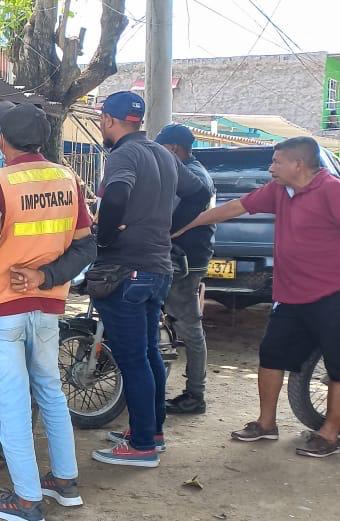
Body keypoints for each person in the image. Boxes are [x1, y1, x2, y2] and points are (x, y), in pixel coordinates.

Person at [175, 136, 340, 458]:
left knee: (337, 366)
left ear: (299, 164)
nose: (270, 167)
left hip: (331, 294)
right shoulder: (279, 190)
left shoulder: (331, 190)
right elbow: (235, 207)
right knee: (271, 356)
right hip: (290, 294)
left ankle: (330, 433)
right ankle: (266, 424)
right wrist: (185, 225)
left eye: (277, 162)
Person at [0, 102, 95, 521]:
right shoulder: (68, 180)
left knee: (13, 405)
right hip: (47, 307)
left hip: (1, 308)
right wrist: (45, 277)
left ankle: (26, 500)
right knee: (50, 392)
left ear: (3, 140)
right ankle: (64, 481)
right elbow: (86, 245)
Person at [89, 91, 212, 468]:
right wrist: (167, 227)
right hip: (157, 267)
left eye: (101, 119)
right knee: (148, 353)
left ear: (110, 120)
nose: (100, 125)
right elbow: (201, 192)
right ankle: (151, 432)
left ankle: (142, 445)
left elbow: (115, 198)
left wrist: (106, 236)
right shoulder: (164, 154)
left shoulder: (124, 155)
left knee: (133, 359)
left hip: (126, 269)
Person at [154, 124, 215, 415]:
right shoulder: (187, 171)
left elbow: (174, 217)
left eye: (162, 148)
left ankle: (195, 394)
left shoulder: (194, 176)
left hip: (185, 261)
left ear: (174, 149)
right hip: (178, 257)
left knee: (188, 325)